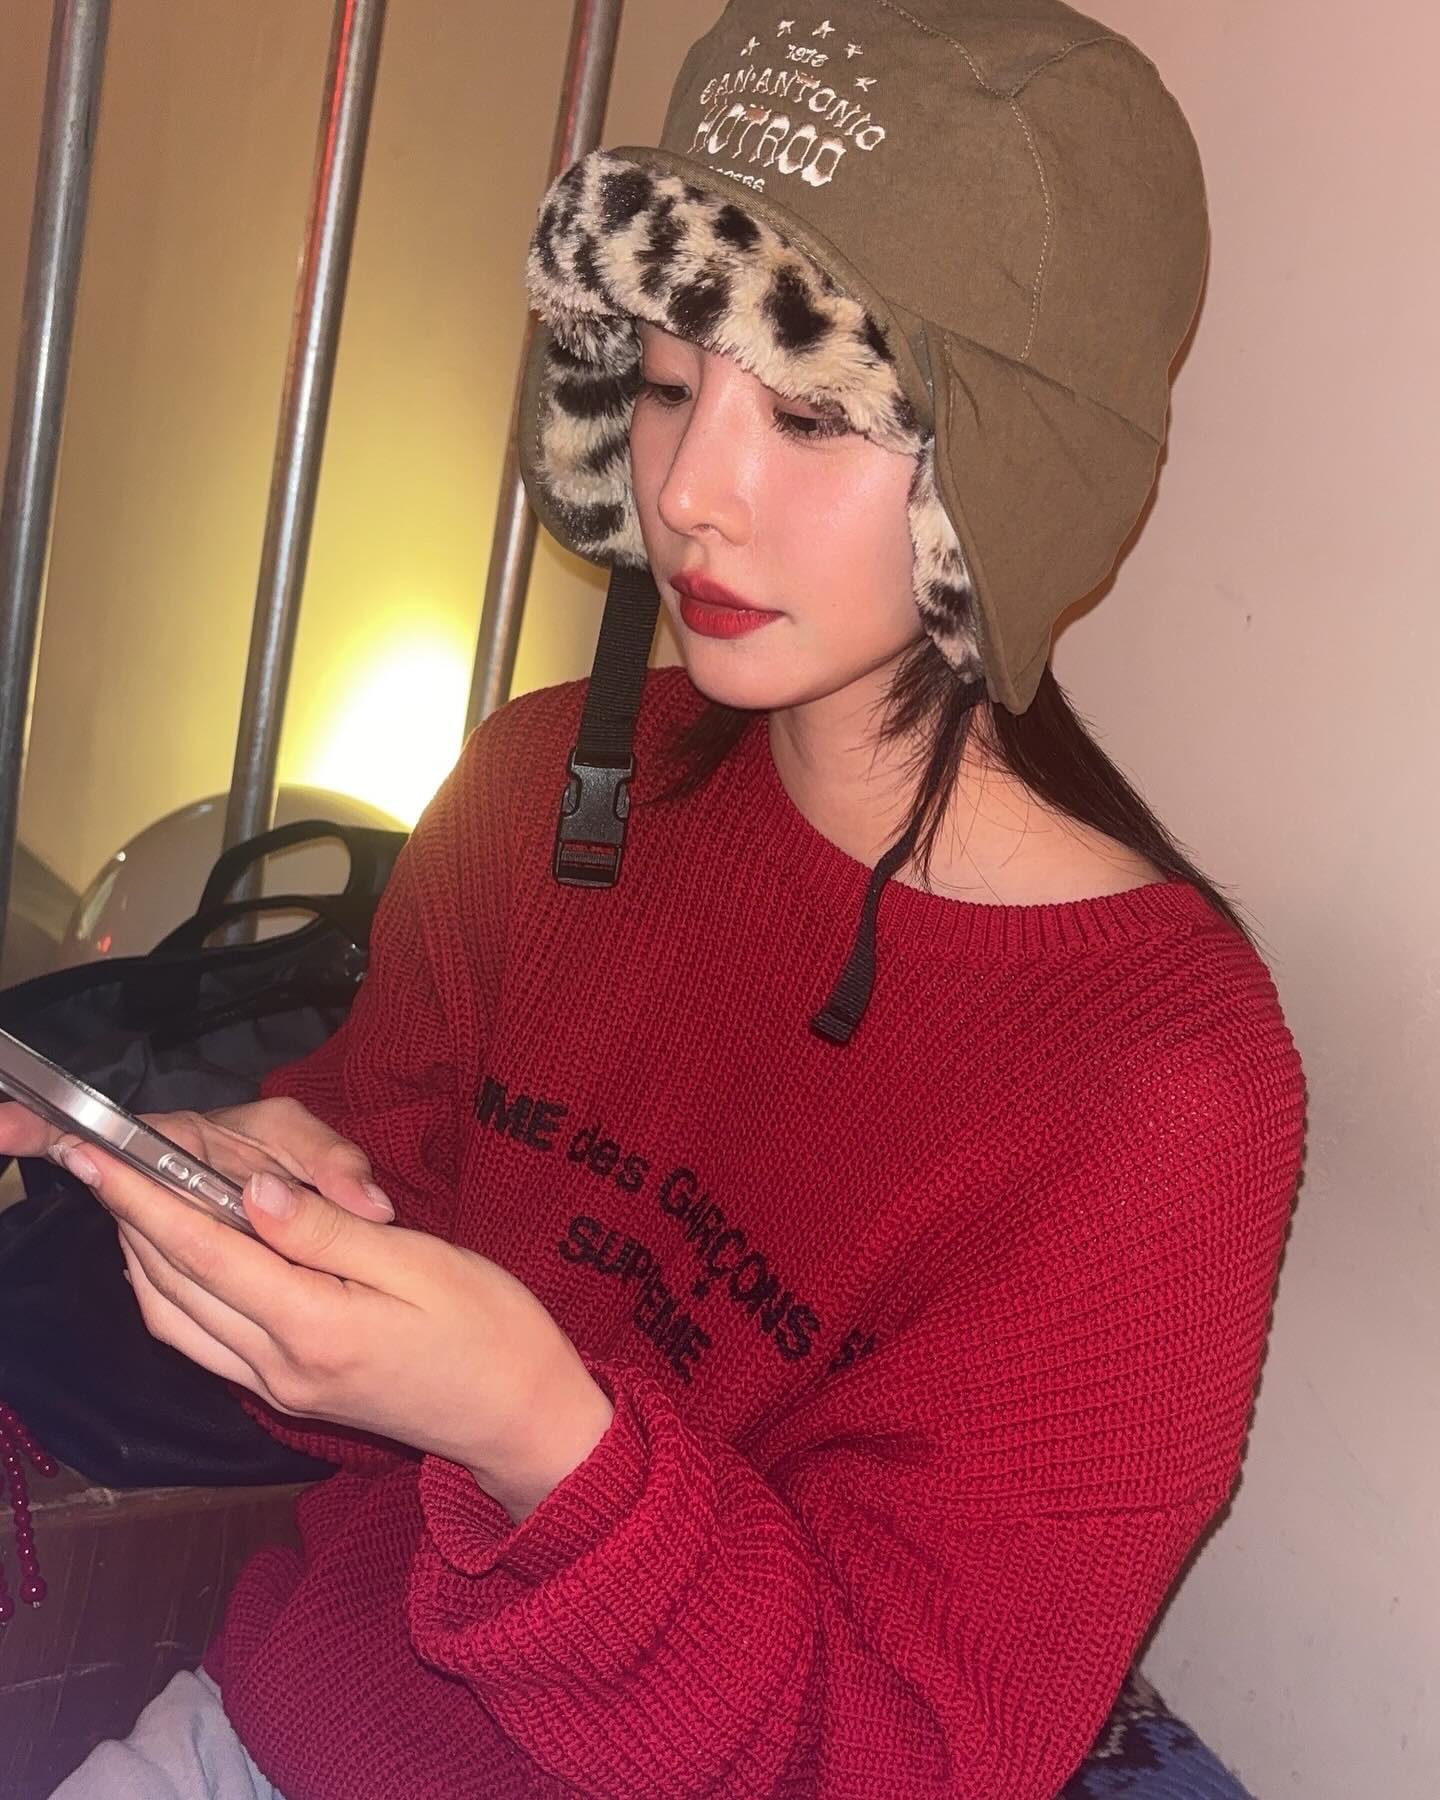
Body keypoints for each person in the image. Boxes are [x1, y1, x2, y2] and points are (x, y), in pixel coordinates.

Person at [6, 2, 1307, 1795]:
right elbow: (379, 1278)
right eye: (671, 383)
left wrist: (539, 1434)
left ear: (1014, 477)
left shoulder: (1158, 1087)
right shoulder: (540, 786)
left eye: (815, 412)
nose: (690, 492)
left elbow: (891, 1762)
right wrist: (280, 1210)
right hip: (272, 1732)